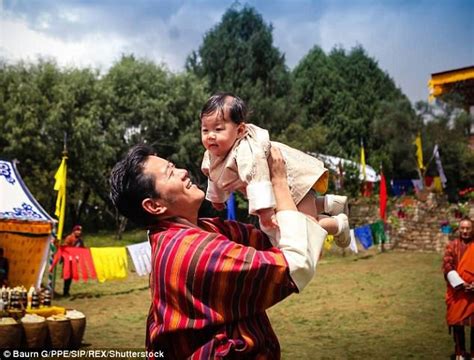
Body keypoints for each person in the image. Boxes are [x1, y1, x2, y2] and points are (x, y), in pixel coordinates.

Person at [110, 143, 328, 359]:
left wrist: (252, 183)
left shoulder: (205, 228)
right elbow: (295, 266)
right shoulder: (193, 250)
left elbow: (275, 240)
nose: (183, 172)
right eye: (170, 173)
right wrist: (280, 182)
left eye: (174, 166)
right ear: (155, 206)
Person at [200, 92, 350, 248]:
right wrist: (217, 198)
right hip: (280, 191)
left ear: (239, 130)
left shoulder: (247, 150)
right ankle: (328, 203)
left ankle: (338, 224)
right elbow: (212, 174)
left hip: (294, 180)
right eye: (205, 130)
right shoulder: (212, 154)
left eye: (218, 129)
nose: (210, 136)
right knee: (294, 220)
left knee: (304, 228)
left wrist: (265, 211)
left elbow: (257, 176)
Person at [442, 218, 474, 360]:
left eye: (468, 228)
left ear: (472, 229)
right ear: (459, 229)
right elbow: (447, 265)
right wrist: (461, 284)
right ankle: (460, 353)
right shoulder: (452, 246)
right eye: (462, 228)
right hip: (458, 292)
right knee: (457, 324)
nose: (465, 231)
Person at [62, 225, 85, 297]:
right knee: (67, 275)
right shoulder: (69, 238)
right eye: (77, 230)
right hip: (68, 259)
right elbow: (65, 247)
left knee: (71, 275)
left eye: (80, 230)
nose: (79, 232)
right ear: (74, 231)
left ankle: (67, 291)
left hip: (74, 259)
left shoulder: (80, 240)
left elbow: (82, 248)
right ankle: (65, 291)